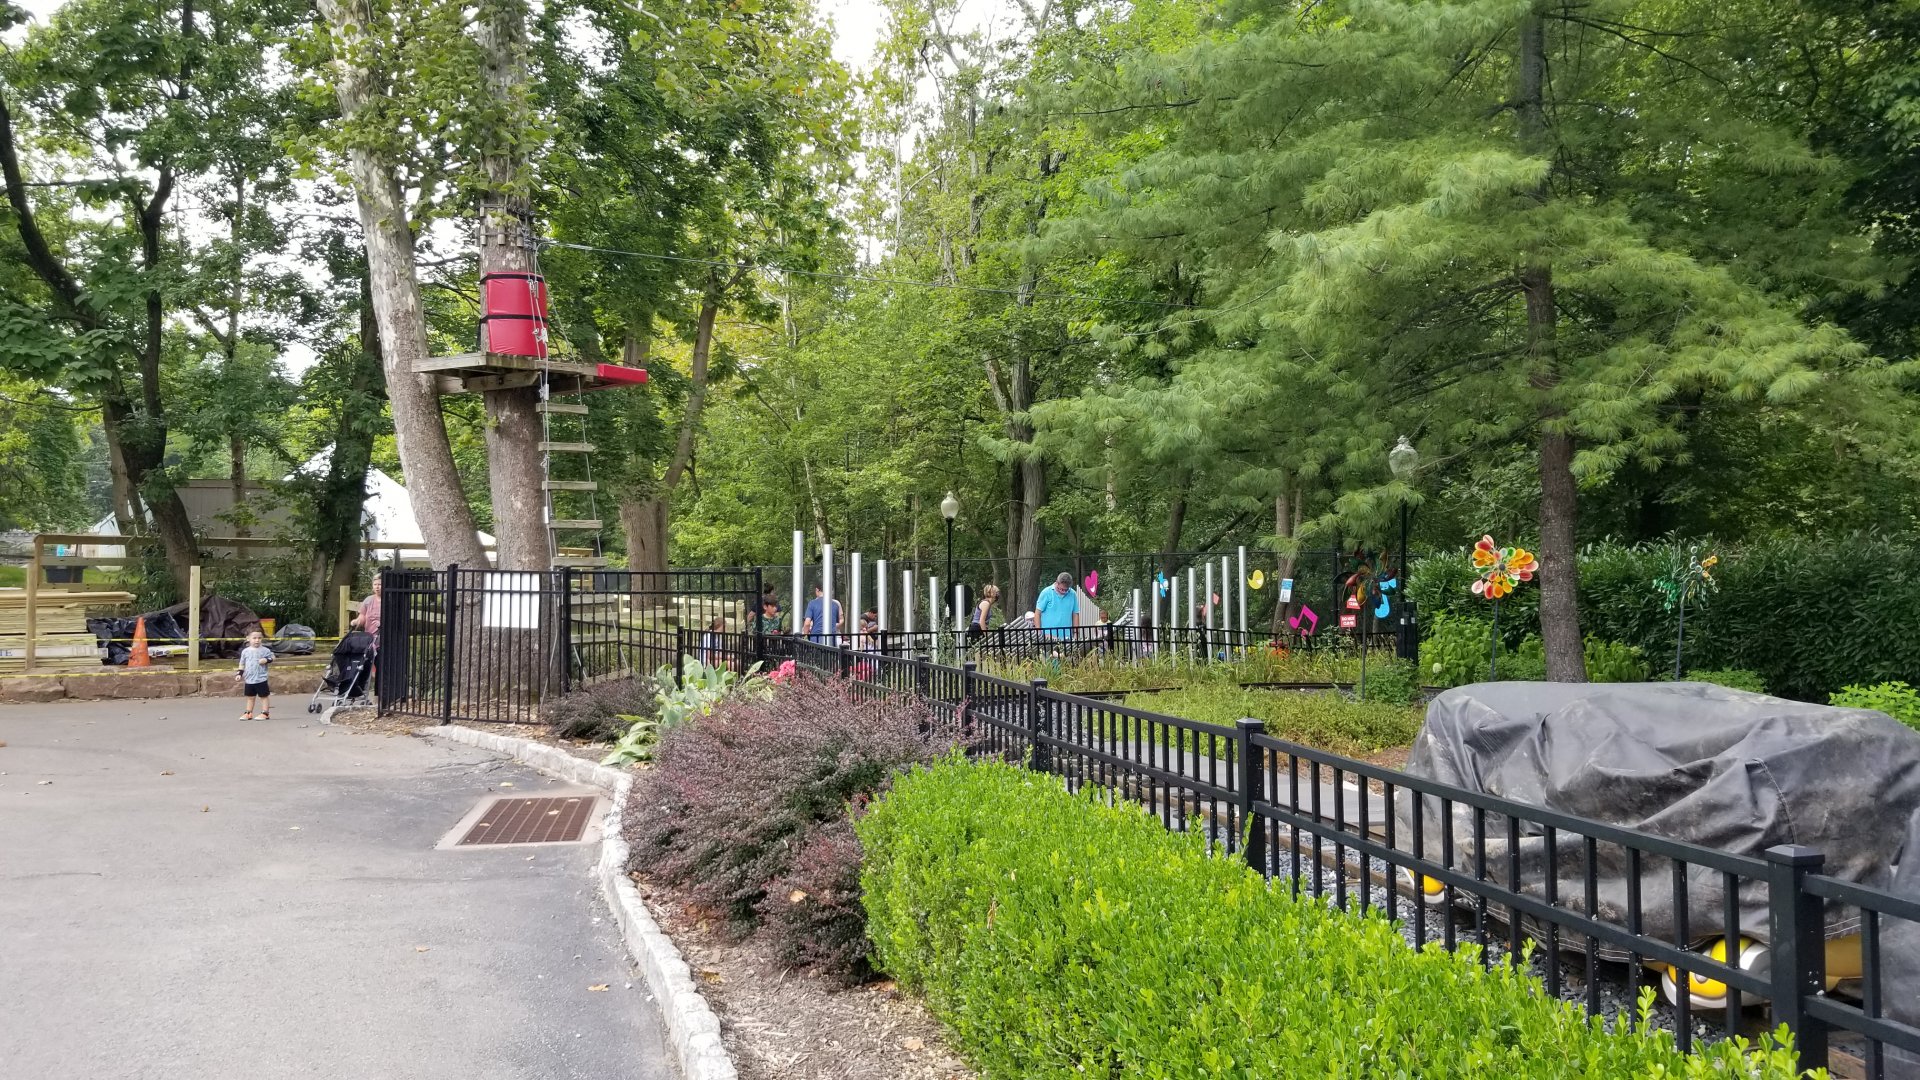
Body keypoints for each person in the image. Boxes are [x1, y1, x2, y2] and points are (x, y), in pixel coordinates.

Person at [237, 630, 274, 720]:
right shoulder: (245, 651)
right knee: (250, 697)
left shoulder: (265, 650)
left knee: (263, 696)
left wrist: (266, 660)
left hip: (261, 678)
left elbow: (273, 657)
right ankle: (248, 713)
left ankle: (265, 713)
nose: (257, 640)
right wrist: (239, 673)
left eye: (259, 638)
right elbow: (242, 663)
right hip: (249, 679)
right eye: (254, 638)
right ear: (248, 639)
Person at [1031, 573, 1079, 641]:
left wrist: (1076, 633)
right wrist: (1039, 632)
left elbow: (1075, 614)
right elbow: (1037, 613)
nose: (1064, 592)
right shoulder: (1046, 592)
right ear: (1057, 583)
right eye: (1061, 589)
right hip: (1048, 636)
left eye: (1066, 590)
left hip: (1067, 636)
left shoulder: (1073, 594)